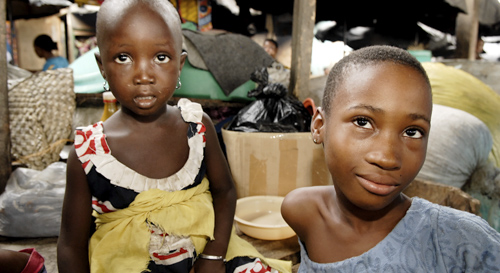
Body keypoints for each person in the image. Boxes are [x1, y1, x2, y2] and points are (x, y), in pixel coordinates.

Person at [57, 1, 291, 273]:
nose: (144, 75)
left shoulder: (197, 127)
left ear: (180, 64)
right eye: (124, 57)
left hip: (207, 254)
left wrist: (213, 258)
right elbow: (71, 245)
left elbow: (225, 192)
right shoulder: (89, 152)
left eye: (160, 57)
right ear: (102, 67)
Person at [281, 45, 500, 272]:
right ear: (319, 126)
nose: (387, 158)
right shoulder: (302, 212)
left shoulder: (460, 242)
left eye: (412, 132)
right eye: (363, 122)